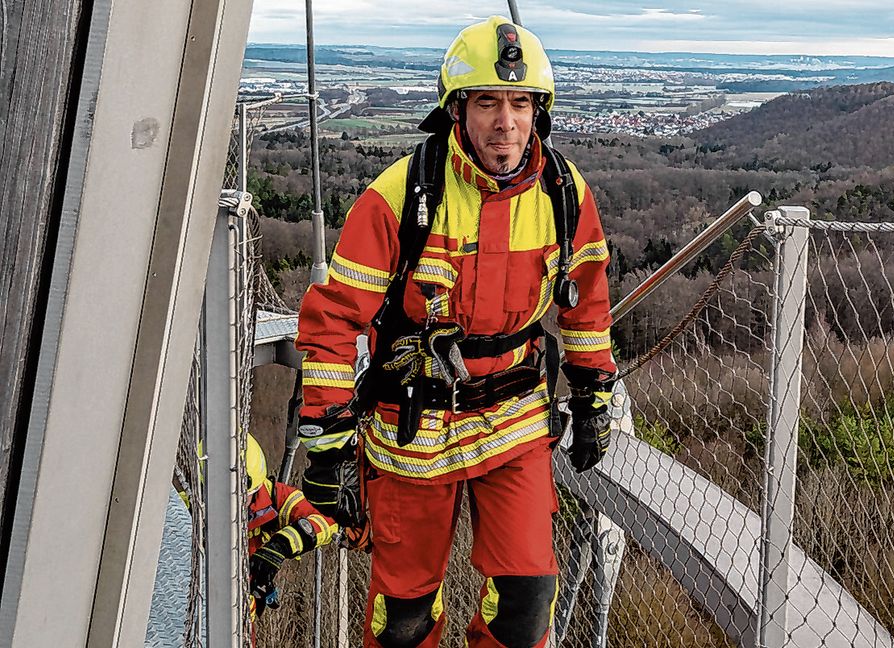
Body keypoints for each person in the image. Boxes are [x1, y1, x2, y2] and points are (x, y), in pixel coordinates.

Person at [294, 15, 616, 648]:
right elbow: (333, 319)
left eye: (521, 102)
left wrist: (592, 392)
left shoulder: (564, 194)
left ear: (539, 112)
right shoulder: (399, 196)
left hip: (514, 418)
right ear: (456, 110)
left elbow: (587, 304)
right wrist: (327, 439)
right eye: (488, 101)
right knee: (405, 617)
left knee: (526, 602)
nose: (506, 121)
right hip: (413, 423)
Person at [244, 435, 337, 621]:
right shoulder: (188, 511)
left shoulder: (269, 496)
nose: (239, 504)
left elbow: (326, 519)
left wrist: (280, 546)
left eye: (246, 495)